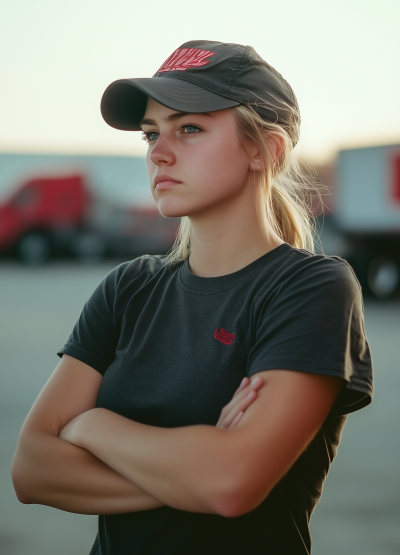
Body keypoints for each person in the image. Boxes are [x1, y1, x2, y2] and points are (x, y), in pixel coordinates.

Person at [11, 40, 373, 555]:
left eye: (190, 128)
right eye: (151, 133)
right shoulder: (129, 288)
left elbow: (230, 483)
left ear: (263, 150)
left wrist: (92, 425)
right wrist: (192, 474)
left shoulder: (309, 288)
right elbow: (32, 470)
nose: (158, 151)